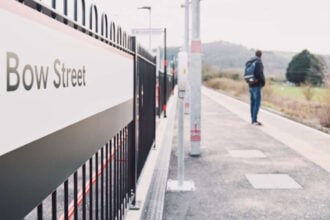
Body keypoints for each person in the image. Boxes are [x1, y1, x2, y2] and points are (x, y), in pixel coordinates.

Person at [247, 50, 265, 125]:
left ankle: (252, 119)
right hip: (257, 85)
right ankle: (254, 120)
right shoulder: (258, 62)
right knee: (257, 103)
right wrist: (263, 82)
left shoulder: (250, 62)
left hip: (250, 84)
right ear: (261, 55)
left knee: (252, 102)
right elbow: (259, 74)